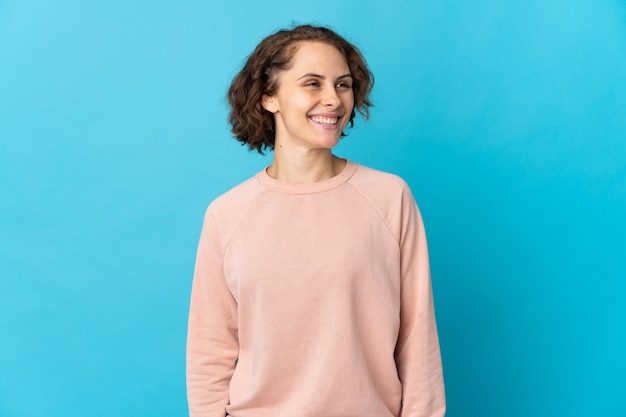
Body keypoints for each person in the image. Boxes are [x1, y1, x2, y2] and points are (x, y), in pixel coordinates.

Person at [187, 24, 445, 417]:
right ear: (268, 97)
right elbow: (210, 352)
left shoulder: (389, 198)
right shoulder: (227, 213)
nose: (333, 99)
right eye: (312, 83)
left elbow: (417, 338)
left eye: (343, 85)